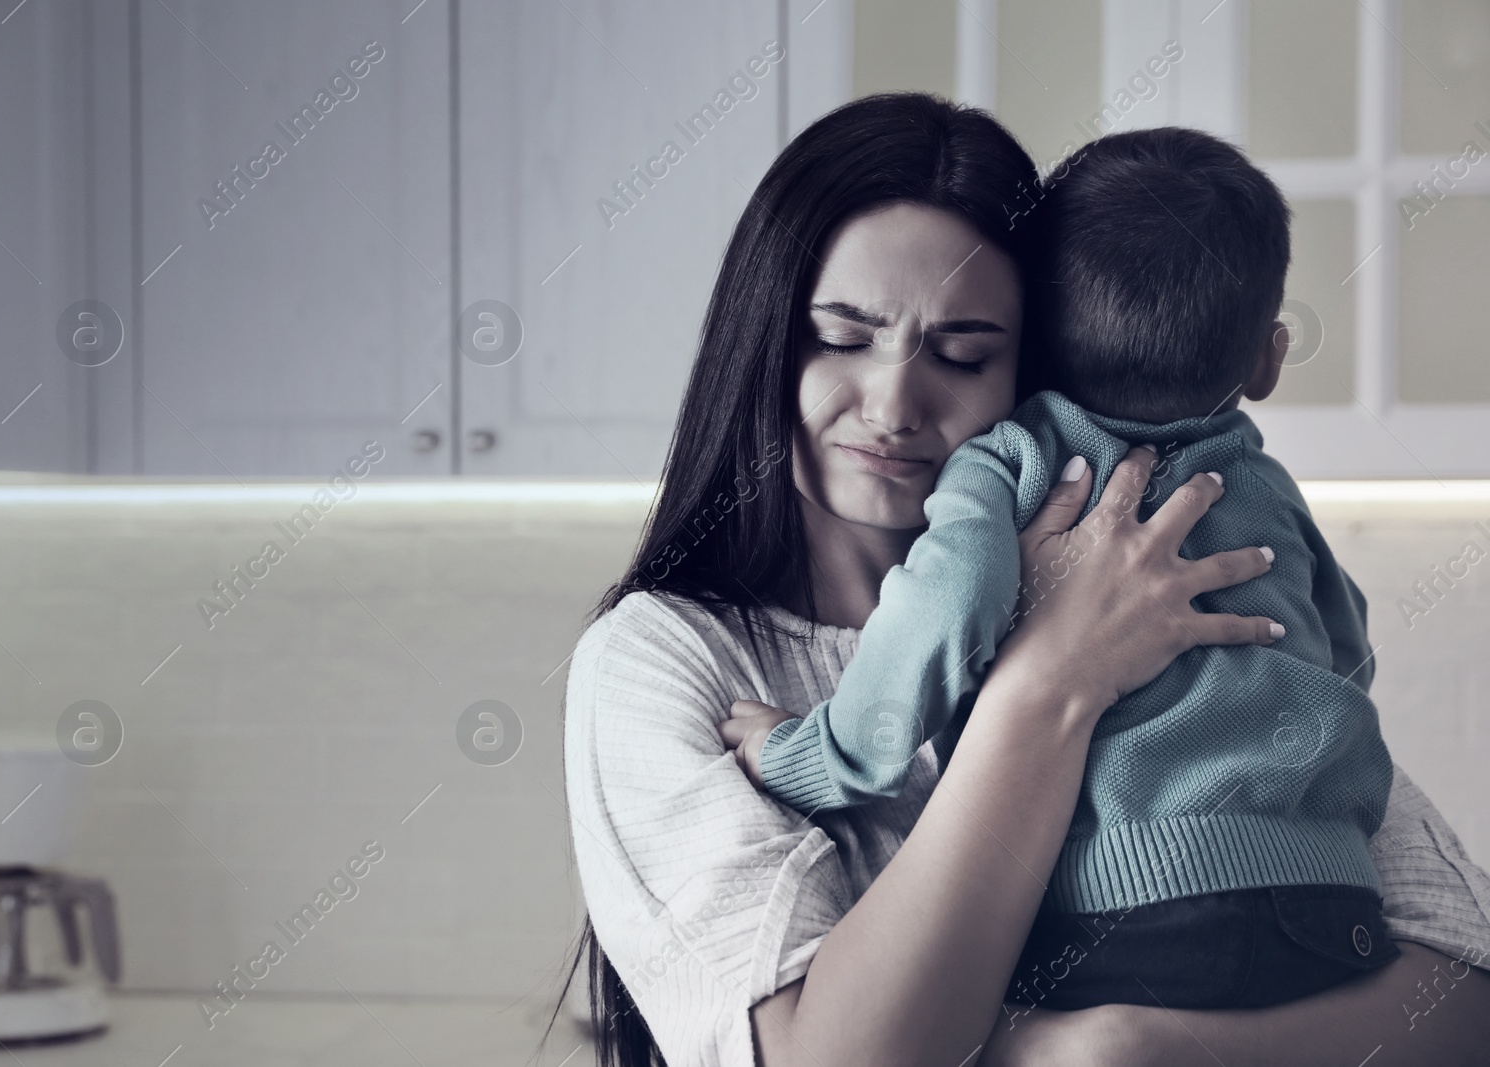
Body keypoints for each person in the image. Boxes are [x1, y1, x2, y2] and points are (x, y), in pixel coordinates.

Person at [559, 93, 1490, 1067]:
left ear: (1041, 364)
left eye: (964, 352)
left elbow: (1463, 999)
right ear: (762, 340)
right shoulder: (659, 660)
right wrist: (1048, 673)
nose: (892, 404)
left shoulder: (1154, 561)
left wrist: (1126, 1045)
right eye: (839, 338)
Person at [730, 127, 1398, 1012]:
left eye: (964, 353)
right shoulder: (1266, 487)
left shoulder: (1013, 464)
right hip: (1331, 902)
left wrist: (807, 752)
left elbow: (946, 606)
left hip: (1128, 908)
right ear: (1269, 359)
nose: (895, 406)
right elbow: (1344, 649)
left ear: (1031, 342)